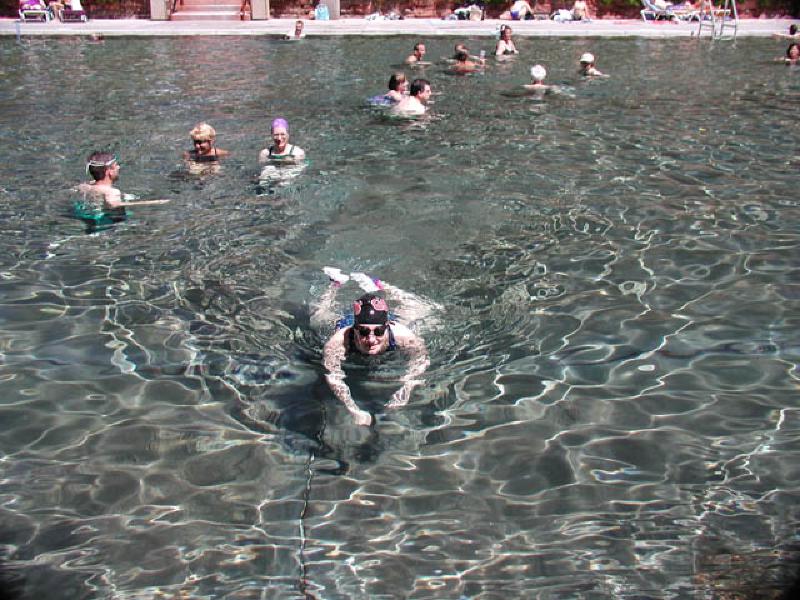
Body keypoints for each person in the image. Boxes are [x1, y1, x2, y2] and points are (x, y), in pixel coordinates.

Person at [315, 269, 432, 426]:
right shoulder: (338, 342)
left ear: (387, 326)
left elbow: (421, 361)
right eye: (364, 332)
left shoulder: (404, 336)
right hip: (343, 322)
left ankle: (380, 285)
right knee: (318, 316)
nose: (371, 339)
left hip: (391, 321)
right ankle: (335, 284)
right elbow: (333, 376)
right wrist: (353, 409)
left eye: (378, 332)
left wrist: (406, 389)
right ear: (355, 329)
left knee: (423, 310)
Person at [74, 152, 169, 230]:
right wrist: (154, 202)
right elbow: (113, 204)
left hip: (92, 221)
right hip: (107, 225)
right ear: (109, 172)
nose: (118, 167)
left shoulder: (84, 186)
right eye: (116, 166)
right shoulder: (112, 192)